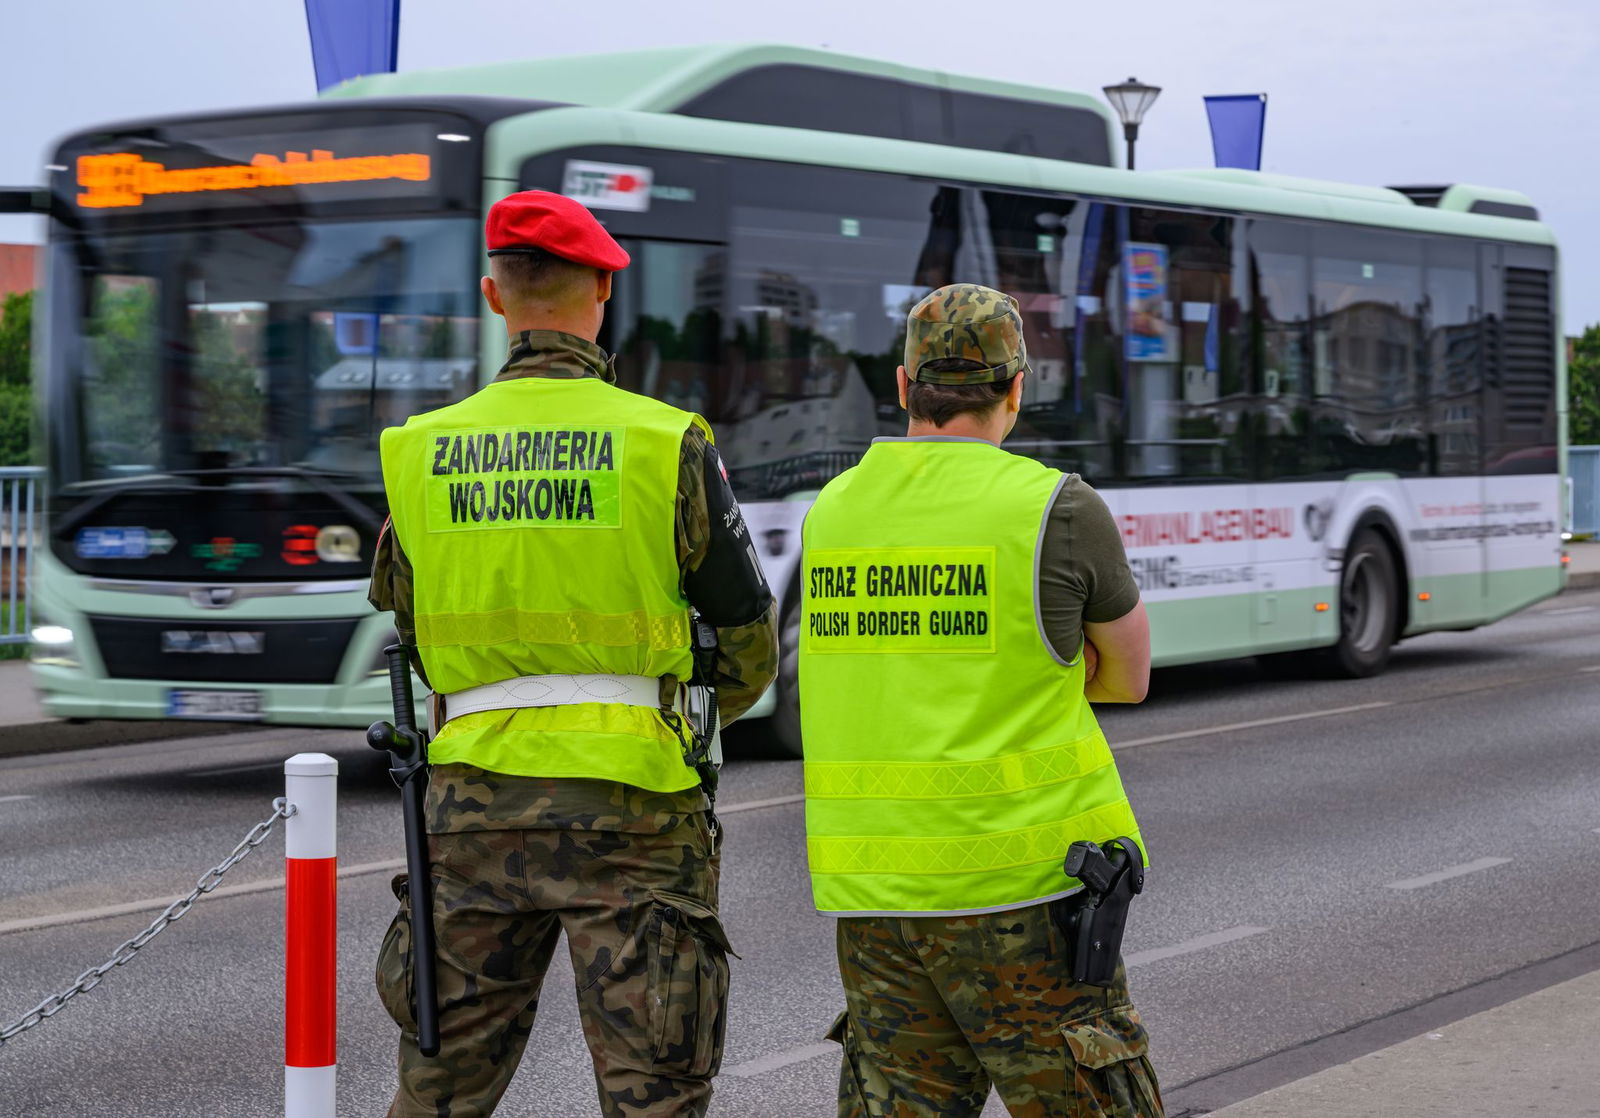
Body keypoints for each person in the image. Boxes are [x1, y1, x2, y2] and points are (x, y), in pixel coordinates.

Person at [369, 189, 778, 1117]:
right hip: (636, 804)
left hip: (468, 803)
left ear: (493, 296)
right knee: (653, 1090)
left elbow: (415, 638)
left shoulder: (418, 450)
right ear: (604, 290)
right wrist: (682, 712)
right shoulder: (664, 441)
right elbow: (747, 642)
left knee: (439, 1090)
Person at [799, 283, 1163, 1117]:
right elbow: (1129, 677)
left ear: (903, 386)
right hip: (1024, 897)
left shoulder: (834, 511)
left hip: (877, 900)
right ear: (1016, 388)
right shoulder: (1055, 508)